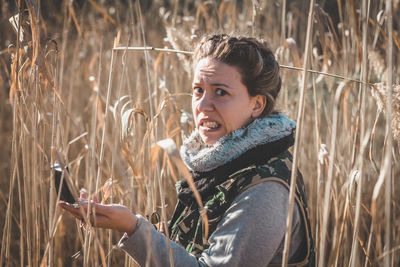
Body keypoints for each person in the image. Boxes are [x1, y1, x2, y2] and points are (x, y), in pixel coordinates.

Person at [59, 33, 315, 266]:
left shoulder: (266, 189)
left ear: (256, 105)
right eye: (198, 90)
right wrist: (134, 225)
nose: (203, 104)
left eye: (221, 92)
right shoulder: (223, 163)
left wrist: (134, 227)